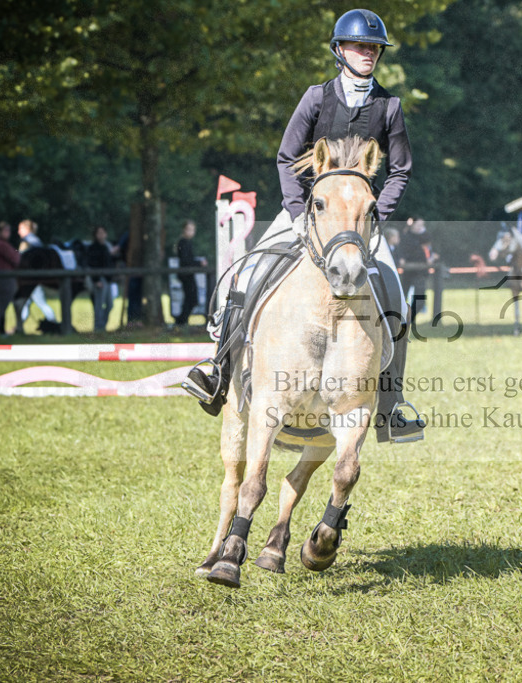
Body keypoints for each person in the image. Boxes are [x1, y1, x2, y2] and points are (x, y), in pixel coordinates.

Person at [184, 8, 423, 443]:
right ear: (340, 50)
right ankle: (218, 371)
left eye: (374, 48)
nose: (368, 53)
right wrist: (297, 213)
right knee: (247, 275)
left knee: (397, 301)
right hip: (307, 212)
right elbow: (285, 158)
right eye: (360, 46)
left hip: (358, 223)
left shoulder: (389, 106)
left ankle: (392, 406)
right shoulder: (316, 98)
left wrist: (375, 216)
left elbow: (401, 170)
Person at [16, 219, 58, 331]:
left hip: (31, 279)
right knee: (26, 304)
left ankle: (54, 323)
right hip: (35, 278)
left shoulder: (28, 242)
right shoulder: (36, 241)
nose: (18, 232)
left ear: (27, 229)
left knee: (39, 303)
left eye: (20, 228)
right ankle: (19, 327)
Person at [396, 217, 436, 319]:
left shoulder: (425, 236)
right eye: (418, 225)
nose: (420, 227)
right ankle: (399, 317)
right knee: (402, 296)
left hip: (421, 271)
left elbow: (429, 249)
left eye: (422, 225)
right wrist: (401, 258)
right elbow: (400, 249)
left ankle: (410, 318)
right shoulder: (405, 236)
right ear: (412, 225)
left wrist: (430, 258)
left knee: (420, 300)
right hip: (408, 271)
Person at [174, 220, 207, 326]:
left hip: (188, 274)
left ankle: (181, 321)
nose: (191, 232)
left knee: (191, 299)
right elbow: (186, 261)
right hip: (186, 274)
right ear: (184, 230)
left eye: (192, 230)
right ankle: (181, 321)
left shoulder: (186, 242)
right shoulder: (183, 243)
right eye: (189, 229)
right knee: (191, 299)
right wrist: (199, 263)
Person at [0, 221, 20, 336]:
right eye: (5, 230)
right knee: (2, 304)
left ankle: (3, 331)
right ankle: (2, 331)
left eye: (9, 230)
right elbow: (15, 258)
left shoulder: (1, 243)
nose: (8, 233)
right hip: (4, 277)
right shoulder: (1, 244)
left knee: (3, 304)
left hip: (4, 276)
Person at [86, 226, 115, 333]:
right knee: (99, 304)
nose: (101, 235)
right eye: (99, 233)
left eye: (103, 232)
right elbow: (92, 265)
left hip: (107, 279)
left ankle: (102, 326)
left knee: (110, 304)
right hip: (100, 279)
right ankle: (98, 327)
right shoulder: (93, 248)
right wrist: (96, 280)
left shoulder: (106, 246)